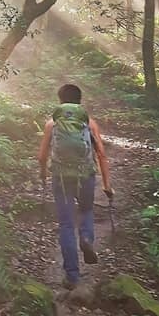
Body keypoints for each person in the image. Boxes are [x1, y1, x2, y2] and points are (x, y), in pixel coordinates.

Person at [37, 83, 113, 288]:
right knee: (87, 210)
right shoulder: (89, 123)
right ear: (80, 101)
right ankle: (87, 238)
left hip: (60, 176)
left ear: (60, 101)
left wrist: (43, 174)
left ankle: (72, 276)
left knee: (66, 224)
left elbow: (41, 156)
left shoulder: (51, 124)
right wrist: (107, 185)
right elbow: (102, 155)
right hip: (85, 175)